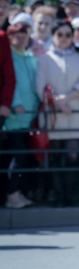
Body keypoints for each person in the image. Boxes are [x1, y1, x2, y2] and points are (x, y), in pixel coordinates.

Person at [36, 18, 79, 205]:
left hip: (74, 113)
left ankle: (69, 194)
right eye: (60, 34)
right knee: (55, 156)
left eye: (68, 34)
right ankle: (58, 195)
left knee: (72, 155)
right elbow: (40, 87)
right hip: (53, 115)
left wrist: (67, 99)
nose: (64, 38)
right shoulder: (44, 59)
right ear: (53, 36)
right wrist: (58, 104)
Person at [2, 19, 38, 208]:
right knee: (19, 156)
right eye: (16, 35)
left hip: (29, 117)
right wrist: (15, 103)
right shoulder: (10, 58)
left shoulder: (29, 58)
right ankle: (11, 194)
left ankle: (18, 192)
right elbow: (8, 82)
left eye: (24, 35)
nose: (21, 39)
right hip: (14, 117)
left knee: (26, 157)